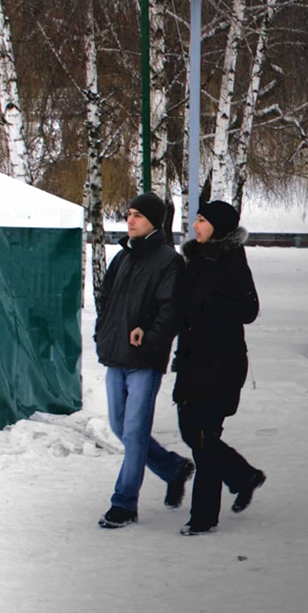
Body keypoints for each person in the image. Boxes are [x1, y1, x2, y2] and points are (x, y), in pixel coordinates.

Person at [94, 192, 189, 529]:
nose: (129, 219)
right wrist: (102, 333)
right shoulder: (122, 257)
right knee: (121, 427)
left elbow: (171, 311)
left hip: (144, 360)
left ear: (154, 221)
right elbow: (105, 299)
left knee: (134, 432)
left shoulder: (168, 261)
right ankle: (173, 468)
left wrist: (148, 337)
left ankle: (124, 503)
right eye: (129, 213)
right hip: (115, 355)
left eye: (137, 215)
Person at [170, 200, 265, 534]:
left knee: (204, 436)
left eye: (201, 220)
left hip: (221, 364)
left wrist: (210, 306)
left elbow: (249, 310)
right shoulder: (192, 260)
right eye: (195, 219)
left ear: (219, 227)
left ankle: (204, 517)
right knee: (192, 433)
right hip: (192, 362)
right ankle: (243, 475)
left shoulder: (232, 261)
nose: (194, 226)